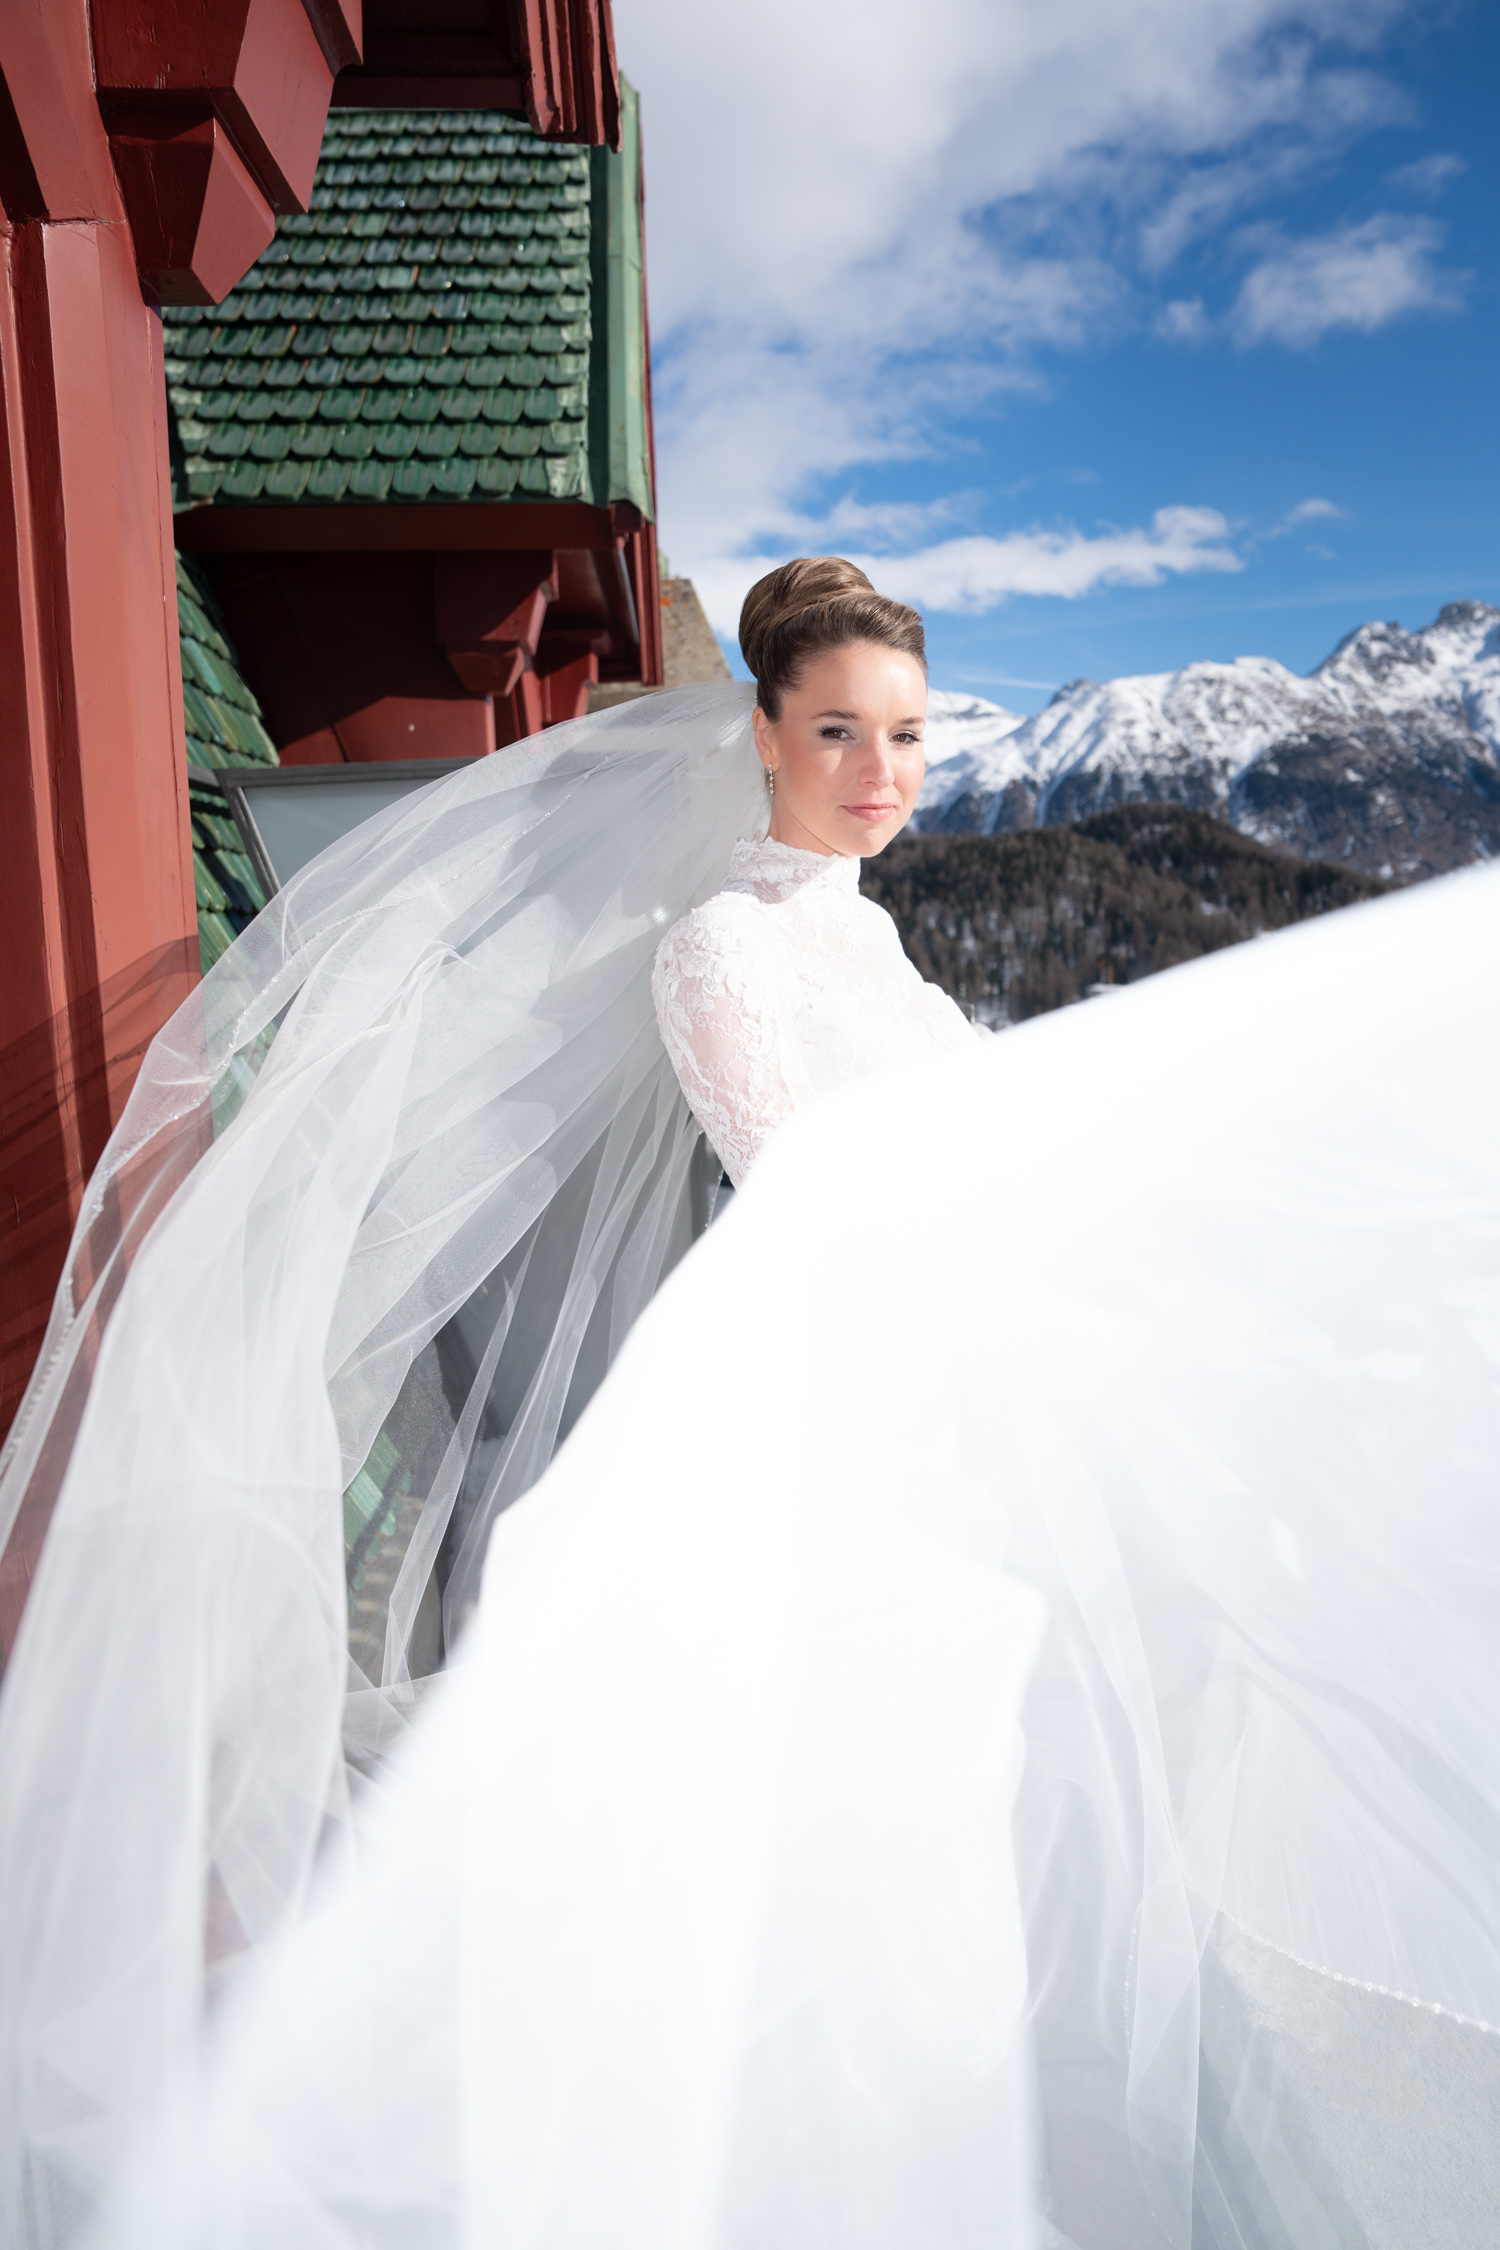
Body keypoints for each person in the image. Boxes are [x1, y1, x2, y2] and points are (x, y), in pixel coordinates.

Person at [2, 563, 1498, 2250]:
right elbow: (820, 1210)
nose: (882, 772)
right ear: (764, 732)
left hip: (953, 1436)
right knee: (853, 1861)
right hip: (849, 1441)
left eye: (911, 737)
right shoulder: (722, 947)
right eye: (841, 731)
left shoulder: (861, 931)